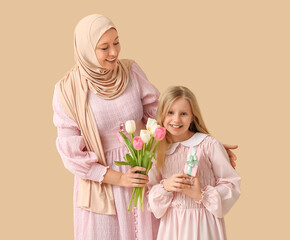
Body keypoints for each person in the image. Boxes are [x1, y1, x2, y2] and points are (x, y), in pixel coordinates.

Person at [52, 14, 238, 240]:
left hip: (145, 171)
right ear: (86, 49)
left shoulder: (130, 71)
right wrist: (120, 179)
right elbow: (72, 156)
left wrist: (202, 145)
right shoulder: (67, 91)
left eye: (116, 42)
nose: (114, 52)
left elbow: (161, 117)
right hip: (103, 184)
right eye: (104, 47)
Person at [148, 86, 241, 240]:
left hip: (204, 224)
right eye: (170, 112)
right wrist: (165, 187)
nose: (176, 119)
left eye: (183, 114)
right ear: (162, 115)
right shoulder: (156, 151)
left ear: (192, 117)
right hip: (172, 227)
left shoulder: (209, 145)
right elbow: (150, 196)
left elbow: (231, 183)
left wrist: (201, 195)